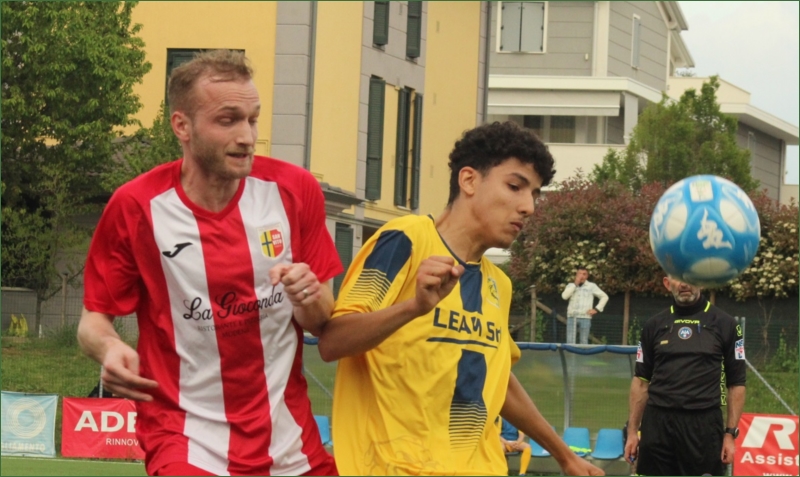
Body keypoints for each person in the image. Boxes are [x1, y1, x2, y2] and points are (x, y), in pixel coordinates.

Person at [76, 49, 341, 476]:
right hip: (184, 439)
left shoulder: (294, 190)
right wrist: (109, 348)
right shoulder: (136, 207)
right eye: (228, 120)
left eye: (252, 119)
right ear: (182, 126)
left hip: (290, 442)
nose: (247, 136)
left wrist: (308, 295)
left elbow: (321, 319)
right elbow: (93, 321)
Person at [317, 121, 603, 476]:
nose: (528, 206)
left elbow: (499, 382)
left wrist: (565, 455)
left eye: (535, 194)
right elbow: (333, 341)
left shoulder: (499, 284)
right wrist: (414, 307)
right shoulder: (405, 239)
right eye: (515, 187)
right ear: (469, 180)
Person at [623, 276, 746, 476]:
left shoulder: (726, 324)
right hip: (658, 426)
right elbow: (641, 382)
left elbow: (736, 384)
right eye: (678, 278)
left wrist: (730, 434)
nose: (684, 284)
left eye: (689, 277)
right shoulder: (653, 325)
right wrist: (632, 432)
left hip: (703, 427)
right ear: (667, 283)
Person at [561, 266, 608, 344]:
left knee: (584, 341)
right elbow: (564, 296)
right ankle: (570, 352)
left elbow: (604, 297)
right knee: (570, 341)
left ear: (587, 276)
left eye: (584, 274)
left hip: (585, 317)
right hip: (572, 316)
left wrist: (596, 309)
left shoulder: (591, 286)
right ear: (576, 275)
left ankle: (582, 353)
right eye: (580, 274)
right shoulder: (570, 285)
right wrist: (575, 284)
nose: (582, 276)